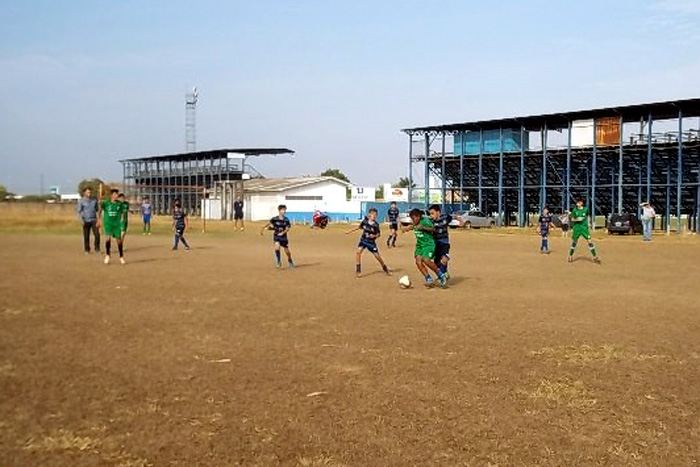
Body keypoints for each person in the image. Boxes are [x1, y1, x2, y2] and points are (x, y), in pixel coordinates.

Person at [402, 208, 447, 288]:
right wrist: (408, 228)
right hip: (419, 245)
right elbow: (414, 225)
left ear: (418, 216)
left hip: (428, 244)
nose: (413, 220)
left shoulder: (425, 221)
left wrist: (423, 228)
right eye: (411, 218)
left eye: (413, 218)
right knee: (418, 262)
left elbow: (433, 229)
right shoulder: (416, 221)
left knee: (426, 260)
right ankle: (428, 278)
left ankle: (441, 275)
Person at [345, 207, 391, 278]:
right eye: (373, 214)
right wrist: (350, 231)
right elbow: (359, 227)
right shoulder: (365, 221)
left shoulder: (376, 225)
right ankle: (358, 270)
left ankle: (385, 268)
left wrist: (374, 235)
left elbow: (378, 234)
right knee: (358, 252)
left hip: (371, 243)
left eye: (375, 214)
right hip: (363, 240)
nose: (374, 216)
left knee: (377, 257)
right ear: (369, 214)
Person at [568, 198, 601, 264]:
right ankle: (570, 255)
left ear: (581, 203)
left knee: (589, 241)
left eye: (578, 202)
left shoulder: (586, 209)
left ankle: (595, 256)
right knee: (575, 241)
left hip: (584, 228)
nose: (577, 203)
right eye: (577, 202)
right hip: (577, 228)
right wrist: (577, 219)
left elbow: (588, 216)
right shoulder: (575, 210)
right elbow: (572, 219)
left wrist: (589, 223)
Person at [428, 204, 453, 280]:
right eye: (430, 214)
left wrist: (460, 219)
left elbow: (452, 217)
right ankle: (444, 273)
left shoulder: (445, 218)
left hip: (444, 243)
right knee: (437, 263)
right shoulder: (430, 221)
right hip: (435, 243)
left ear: (438, 212)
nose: (431, 215)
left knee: (444, 259)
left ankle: (442, 277)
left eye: (432, 213)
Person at [101, 189, 125, 265]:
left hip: (116, 224)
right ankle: (108, 255)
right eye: (114, 194)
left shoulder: (119, 204)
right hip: (108, 223)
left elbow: (122, 213)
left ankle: (121, 256)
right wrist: (98, 220)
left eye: (117, 195)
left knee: (119, 240)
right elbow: (100, 209)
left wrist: (121, 220)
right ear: (111, 195)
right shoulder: (106, 203)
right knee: (108, 239)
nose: (116, 196)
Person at [77, 187, 100, 254]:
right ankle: (87, 249)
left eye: (90, 192)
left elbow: (97, 210)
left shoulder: (93, 201)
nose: (89, 194)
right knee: (86, 236)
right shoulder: (81, 201)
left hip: (93, 220)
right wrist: (81, 220)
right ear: (84, 193)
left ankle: (97, 248)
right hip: (85, 220)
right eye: (88, 192)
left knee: (97, 235)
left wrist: (98, 220)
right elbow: (79, 211)